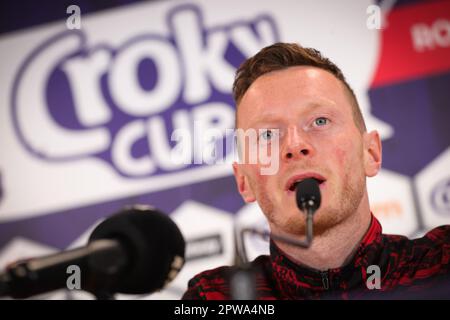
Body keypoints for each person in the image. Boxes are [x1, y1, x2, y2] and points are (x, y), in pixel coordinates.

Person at [181, 43, 450, 299]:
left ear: (371, 153)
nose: (295, 146)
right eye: (267, 134)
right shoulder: (213, 298)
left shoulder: (442, 264)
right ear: (244, 182)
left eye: (320, 120)